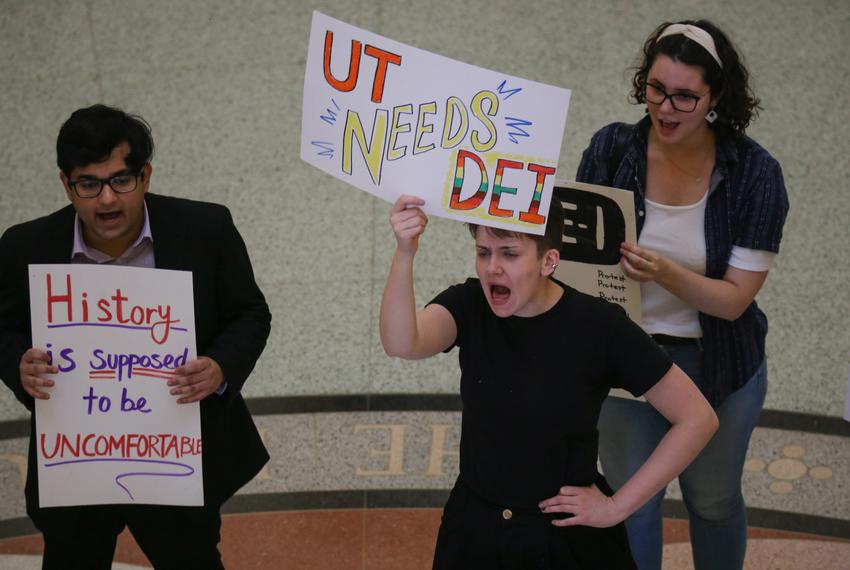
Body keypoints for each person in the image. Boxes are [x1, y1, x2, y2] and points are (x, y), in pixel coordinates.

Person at [380, 194, 718, 569]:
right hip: (476, 529)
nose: (492, 268)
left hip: (564, 538)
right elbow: (401, 343)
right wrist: (405, 253)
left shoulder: (600, 327)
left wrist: (616, 507)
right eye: (483, 252)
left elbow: (697, 418)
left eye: (509, 253)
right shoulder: (469, 305)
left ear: (548, 261)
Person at [0, 104, 271, 569]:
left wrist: (220, 366)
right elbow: (1, 328)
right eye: (89, 184)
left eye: (120, 180)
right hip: (75, 463)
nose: (107, 200)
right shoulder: (25, 246)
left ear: (145, 176)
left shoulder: (206, 230)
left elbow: (250, 313)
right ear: (66, 184)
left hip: (175, 460)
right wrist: (16, 363)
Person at [576, 20, 790, 570]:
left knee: (713, 500)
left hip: (717, 363)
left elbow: (734, 300)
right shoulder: (610, 148)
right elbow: (574, 257)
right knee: (630, 502)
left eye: (685, 97)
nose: (665, 109)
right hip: (626, 359)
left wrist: (665, 274)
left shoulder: (755, 174)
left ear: (716, 97)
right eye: (654, 89)